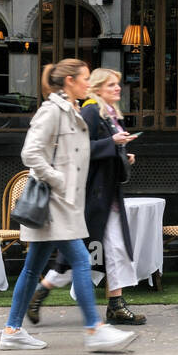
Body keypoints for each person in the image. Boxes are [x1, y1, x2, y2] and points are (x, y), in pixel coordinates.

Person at [0, 59, 138, 352]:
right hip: (54, 203)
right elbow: (30, 153)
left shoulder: (73, 110)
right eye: (85, 78)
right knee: (82, 261)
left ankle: (12, 329)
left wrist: (118, 153)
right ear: (70, 81)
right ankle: (94, 329)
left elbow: (79, 155)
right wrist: (58, 179)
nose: (89, 83)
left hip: (64, 202)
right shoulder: (52, 111)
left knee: (31, 268)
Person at [27, 68, 144, 326]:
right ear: (99, 88)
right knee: (78, 256)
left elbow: (104, 149)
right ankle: (42, 290)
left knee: (117, 249)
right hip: (93, 194)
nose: (118, 88)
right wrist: (112, 143)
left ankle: (116, 304)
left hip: (109, 193)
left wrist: (124, 154)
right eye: (111, 84)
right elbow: (81, 149)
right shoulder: (91, 111)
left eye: (118, 84)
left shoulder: (111, 114)